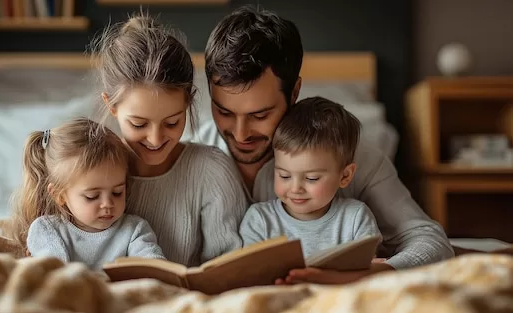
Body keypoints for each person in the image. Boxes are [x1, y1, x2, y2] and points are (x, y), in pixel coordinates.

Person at [199, 6, 454, 283]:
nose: (240, 133)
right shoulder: (191, 156)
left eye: (260, 115)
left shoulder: (351, 154)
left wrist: (377, 273)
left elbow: (429, 240)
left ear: (294, 92)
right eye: (224, 112)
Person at [94, 14, 249, 267]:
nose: (155, 139)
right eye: (139, 124)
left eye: (172, 122)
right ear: (110, 105)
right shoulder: (85, 168)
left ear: (188, 102)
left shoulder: (211, 172)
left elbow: (228, 269)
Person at [239, 97, 383, 283]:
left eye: (311, 178)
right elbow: (248, 278)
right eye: (284, 176)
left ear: (345, 176)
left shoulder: (355, 218)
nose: (296, 188)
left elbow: (369, 277)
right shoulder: (260, 220)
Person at [11, 118, 165, 270]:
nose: (108, 204)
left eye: (117, 193)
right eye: (92, 196)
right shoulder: (47, 230)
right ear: (60, 195)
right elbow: (57, 277)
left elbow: (154, 267)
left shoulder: (134, 229)